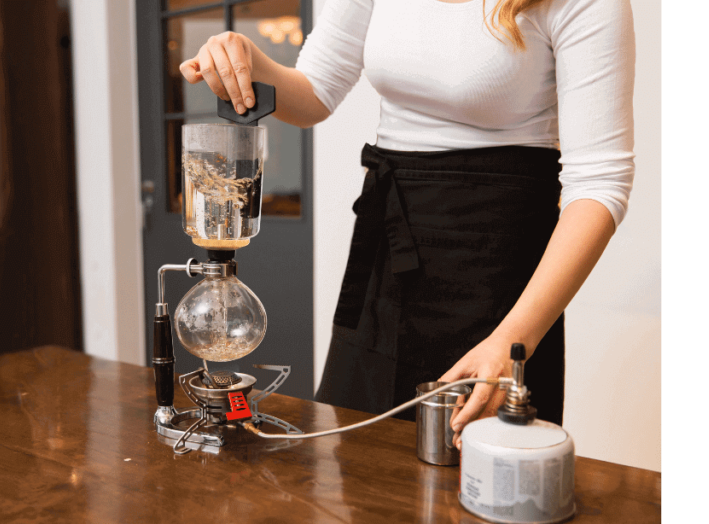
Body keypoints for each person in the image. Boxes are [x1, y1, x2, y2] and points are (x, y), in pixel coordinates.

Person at [179, 0, 634, 444]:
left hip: (499, 278)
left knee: (477, 480)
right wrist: (247, 59)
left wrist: (512, 343)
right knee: (356, 462)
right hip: (388, 255)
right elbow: (313, 93)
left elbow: (600, 185)